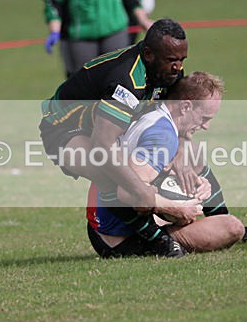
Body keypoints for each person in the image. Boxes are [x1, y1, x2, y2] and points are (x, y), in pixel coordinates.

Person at [86, 72, 247, 258]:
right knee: (231, 228)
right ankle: (158, 240)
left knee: (192, 153)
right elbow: (126, 192)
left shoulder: (159, 116)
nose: (206, 126)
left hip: (108, 220)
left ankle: (213, 216)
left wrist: (198, 187)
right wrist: (176, 208)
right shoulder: (162, 137)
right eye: (204, 118)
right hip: (114, 236)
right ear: (186, 107)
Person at [40, 18, 189, 256]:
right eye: (172, 60)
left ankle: (230, 223)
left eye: (182, 60)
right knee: (114, 176)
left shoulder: (168, 73)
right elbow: (102, 146)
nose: (178, 68)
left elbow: (180, 120)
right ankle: (156, 241)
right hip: (63, 128)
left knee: (189, 161)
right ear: (149, 54)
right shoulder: (127, 80)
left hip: (110, 128)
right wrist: (141, 191)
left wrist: (182, 154)